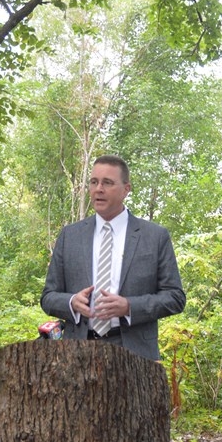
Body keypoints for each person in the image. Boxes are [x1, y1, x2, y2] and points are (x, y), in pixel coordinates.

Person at [41, 154, 186, 361]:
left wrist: (128, 306)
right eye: (94, 182)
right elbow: (48, 297)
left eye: (107, 183)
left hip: (135, 353)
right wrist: (72, 302)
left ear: (126, 189)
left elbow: (175, 298)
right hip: (76, 352)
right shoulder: (70, 235)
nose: (98, 189)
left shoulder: (154, 236)